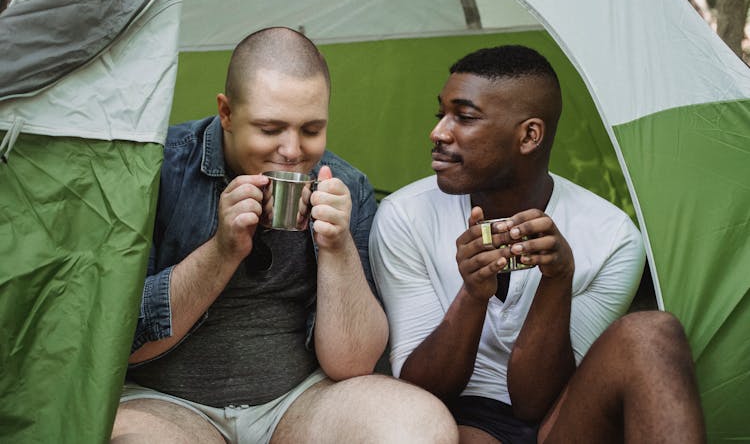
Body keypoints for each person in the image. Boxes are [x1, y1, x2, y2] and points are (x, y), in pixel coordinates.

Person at [111, 27, 458, 443]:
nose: (292, 151)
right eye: (270, 128)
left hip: (296, 402)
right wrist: (222, 251)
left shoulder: (347, 184)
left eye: (311, 130)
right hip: (164, 404)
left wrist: (337, 245)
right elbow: (121, 342)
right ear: (226, 113)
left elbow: (354, 363)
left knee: (420, 426)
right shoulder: (156, 171)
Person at [369, 45, 706, 443]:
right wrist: (474, 294)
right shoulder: (404, 215)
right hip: (448, 417)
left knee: (653, 333)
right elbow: (421, 391)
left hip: (561, 418)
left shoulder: (612, 236)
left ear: (529, 135)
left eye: (464, 117)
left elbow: (535, 402)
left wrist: (558, 279)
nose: (439, 132)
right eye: (440, 114)